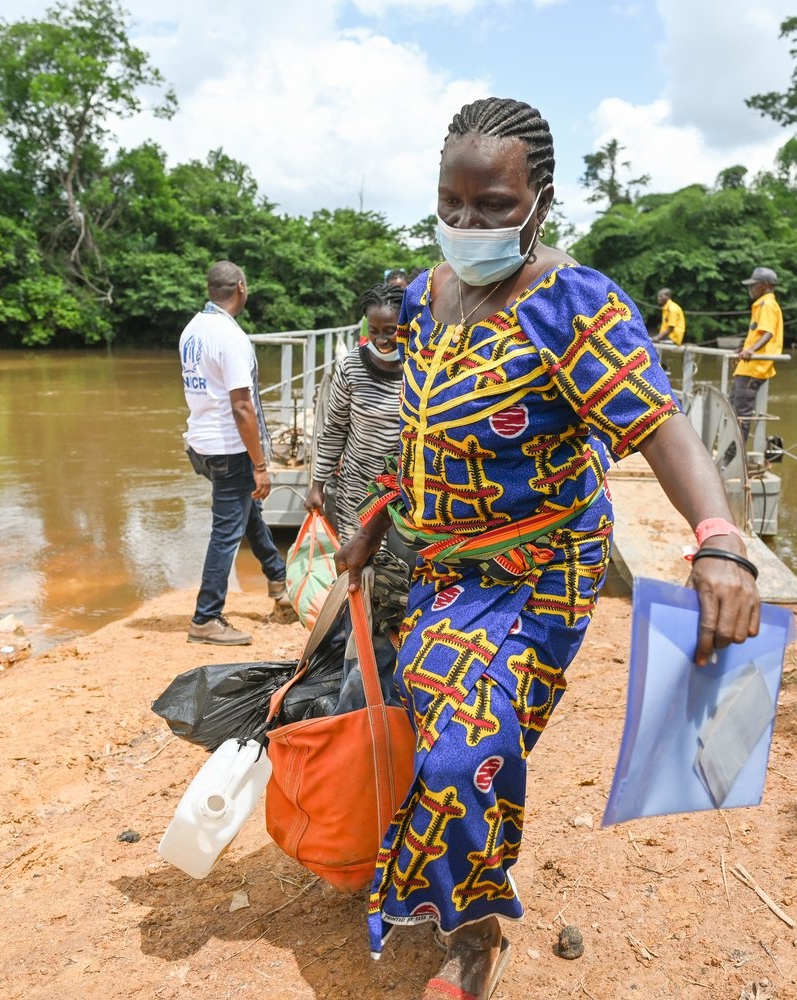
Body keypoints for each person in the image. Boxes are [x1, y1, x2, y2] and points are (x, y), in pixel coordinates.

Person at [334, 97, 761, 1000]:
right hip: (442, 570)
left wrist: (719, 539)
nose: (465, 224)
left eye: (492, 205)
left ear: (541, 200)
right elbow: (420, 427)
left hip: (540, 574)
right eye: (451, 202)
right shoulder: (422, 296)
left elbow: (661, 425)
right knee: (442, 732)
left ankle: (474, 938)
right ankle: (470, 896)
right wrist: (380, 511)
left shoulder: (575, 305)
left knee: (466, 750)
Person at [180, 261, 287, 646]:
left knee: (247, 512)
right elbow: (243, 406)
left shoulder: (193, 329)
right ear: (241, 287)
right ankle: (206, 618)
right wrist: (260, 465)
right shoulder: (231, 336)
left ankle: (278, 580)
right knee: (226, 533)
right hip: (230, 448)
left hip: (201, 444)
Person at [306, 282, 406, 543]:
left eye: (391, 331)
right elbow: (335, 429)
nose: (382, 340)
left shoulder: (419, 368)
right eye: (373, 331)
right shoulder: (351, 367)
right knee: (357, 566)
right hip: (357, 488)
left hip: (405, 492)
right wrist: (317, 485)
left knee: (399, 571)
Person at [729, 266, 784, 454]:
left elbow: (767, 333)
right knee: (732, 408)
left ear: (766, 285)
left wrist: (751, 350)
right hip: (747, 368)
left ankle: (734, 457)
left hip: (755, 368)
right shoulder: (762, 304)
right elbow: (758, 334)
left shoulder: (767, 304)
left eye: (755, 284)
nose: (751, 288)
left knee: (741, 415)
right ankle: (730, 451)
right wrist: (744, 349)